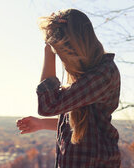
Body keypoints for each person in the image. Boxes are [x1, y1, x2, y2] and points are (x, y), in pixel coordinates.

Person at [16, 9, 121, 167]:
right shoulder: (85, 78)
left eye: (61, 51)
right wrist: (42, 124)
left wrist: (49, 51)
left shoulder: (103, 74)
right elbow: (81, 122)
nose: (62, 58)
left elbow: (48, 105)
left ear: (76, 45)